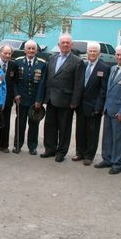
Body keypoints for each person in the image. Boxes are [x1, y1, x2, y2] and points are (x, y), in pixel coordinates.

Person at [95, 45, 121, 174]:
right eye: (117, 54)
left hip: (119, 112)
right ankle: (107, 159)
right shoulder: (113, 68)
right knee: (107, 137)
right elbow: (109, 90)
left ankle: (117, 163)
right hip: (108, 109)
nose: (119, 57)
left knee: (118, 138)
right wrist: (104, 107)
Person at [42, 34, 84, 162]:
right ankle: (50, 149)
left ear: (71, 45)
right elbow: (47, 78)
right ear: (59, 45)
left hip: (66, 101)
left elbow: (78, 84)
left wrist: (74, 101)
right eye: (63, 42)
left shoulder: (77, 61)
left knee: (64, 128)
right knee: (50, 126)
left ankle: (61, 152)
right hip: (51, 99)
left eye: (68, 43)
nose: (65, 44)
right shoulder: (52, 58)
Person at [73, 42, 109, 166]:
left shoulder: (104, 68)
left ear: (98, 53)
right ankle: (80, 152)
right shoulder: (82, 65)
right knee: (80, 130)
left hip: (94, 106)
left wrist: (98, 107)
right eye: (90, 51)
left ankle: (89, 155)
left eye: (95, 51)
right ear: (87, 53)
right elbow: (78, 84)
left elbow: (103, 90)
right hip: (81, 105)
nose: (92, 53)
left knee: (92, 132)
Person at [12, 40, 47, 155]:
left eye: (33, 48)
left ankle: (32, 146)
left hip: (34, 101)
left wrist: (39, 100)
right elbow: (14, 81)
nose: (31, 51)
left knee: (34, 124)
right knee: (20, 123)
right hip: (21, 99)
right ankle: (17, 145)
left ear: (36, 50)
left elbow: (42, 83)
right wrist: (16, 94)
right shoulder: (17, 62)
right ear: (25, 50)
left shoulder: (42, 64)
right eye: (29, 48)